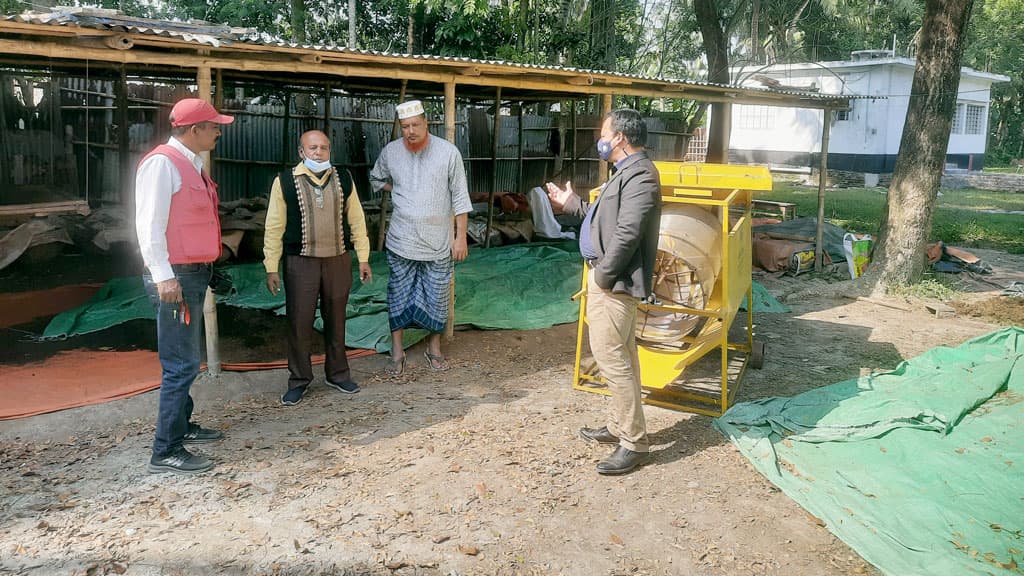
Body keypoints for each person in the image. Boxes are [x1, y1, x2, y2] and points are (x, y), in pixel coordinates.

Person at [546, 108, 662, 476]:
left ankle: (633, 442)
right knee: (621, 357)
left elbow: (628, 234)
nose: (602, 139)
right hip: (608, 280)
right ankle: (618, 426)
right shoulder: (625, 173)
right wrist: (571, 205)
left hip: (613, 283)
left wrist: (602, 277)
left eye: (604, 133)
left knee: (613, 360)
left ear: (621, 138)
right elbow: (603, 221)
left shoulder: (641, 175)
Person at [135, 98, 234, 474]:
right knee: (181, 363)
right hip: (175, 276)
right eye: (213, 126)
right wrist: (163, 276)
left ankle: (182, 427)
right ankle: (166, 450)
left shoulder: (190, 164)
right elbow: (149, 225)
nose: (218, 131)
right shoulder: (163, 165)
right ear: (194, 130)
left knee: (185, 359)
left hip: (192, 272)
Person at [264, 130, 373, 406]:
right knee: (299, 321)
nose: (318, 153)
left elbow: (357, 220)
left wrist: (363, 257)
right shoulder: (286, 181)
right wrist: (271, 266)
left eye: (324, 148)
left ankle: (337, 374)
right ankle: (299, 380)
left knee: (337, 318)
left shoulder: (344, 179)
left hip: (338, 258)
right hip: (300, 261)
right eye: (312, 148)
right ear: (301, 152)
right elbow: (274, 226)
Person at [369, 100, 473, 374]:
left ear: (427, 122)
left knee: (437, 295)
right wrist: (401, 189)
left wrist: (460, 237)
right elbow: (376, 179)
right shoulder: (391, 152)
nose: (411, 131)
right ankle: (397, 351)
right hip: (401, 241)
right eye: (405, 126)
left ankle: (433, 348)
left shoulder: (448, 153)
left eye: (416, 125)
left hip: (438, 242)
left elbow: (460, 198)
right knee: (398, 294)